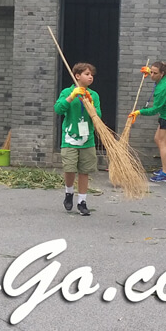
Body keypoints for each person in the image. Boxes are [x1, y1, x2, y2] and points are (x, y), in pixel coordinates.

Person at [54, 62, 100, 216]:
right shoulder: (67, 91)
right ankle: (69, 192)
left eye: (91, 75)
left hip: (87, 139)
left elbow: (98, 117)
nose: (90, 77)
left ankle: (82, 201)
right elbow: (58, 109)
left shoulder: (94, 95)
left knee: (85, 171)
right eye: (87, 74)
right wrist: (71, 96)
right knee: (69, 168)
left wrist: (91, 105)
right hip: (70, 138)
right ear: (77, 76)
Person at [128, 61, 166, 183]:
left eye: (154, 73)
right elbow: (156, 71)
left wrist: (139, 112)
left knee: (163, 143)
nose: (151, 75)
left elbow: (155, 110)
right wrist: (148, 70)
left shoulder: (162, 89)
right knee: (157, 139)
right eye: (151, 72)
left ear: (162, 74)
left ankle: (165, 174)